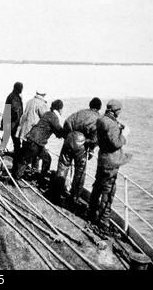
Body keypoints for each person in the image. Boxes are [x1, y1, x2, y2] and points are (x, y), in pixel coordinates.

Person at [88, 99, 132, 235]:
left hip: (102, 159)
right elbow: (116, 143)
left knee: (97, 187)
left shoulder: (101, 120)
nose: (120, 113)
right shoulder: (112, 124)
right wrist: (124, 134)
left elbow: (106, 132)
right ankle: (103, 222)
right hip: (111, 162)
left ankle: (91, 213)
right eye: (119, 111)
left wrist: (117, 126)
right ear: (115, 110)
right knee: (108, 191)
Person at [53, 97, 102, 207]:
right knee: (80, 171)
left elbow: (67, 122)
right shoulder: (98, 118)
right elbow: (95, 138)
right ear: (99, 108)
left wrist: (69, 136)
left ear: (90, 105)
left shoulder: (79, 112)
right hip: (82, 144)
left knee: (63, 166)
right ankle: (74, 198)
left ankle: (56, 193)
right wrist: (91, 147)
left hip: (69, 139)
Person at [13, 100, 65, 180]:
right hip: (36, 142)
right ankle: (16, 178)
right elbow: (59, 130)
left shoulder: (48, 114)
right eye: (61, 109)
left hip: (34, 140)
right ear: (59, 109)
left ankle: (40, 178)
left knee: (46, 159)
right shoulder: (53, 117)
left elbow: (55, 130)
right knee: (27, 160)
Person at [0, 82, 24, 156]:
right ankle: (17, 154)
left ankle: (2, 151)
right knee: (15, 140)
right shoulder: (14, 97)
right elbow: (15, 109)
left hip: (10, 120)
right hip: (12, 121)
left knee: (7, 137)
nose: (21, 90)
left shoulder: (12, 96)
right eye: (20, 88)